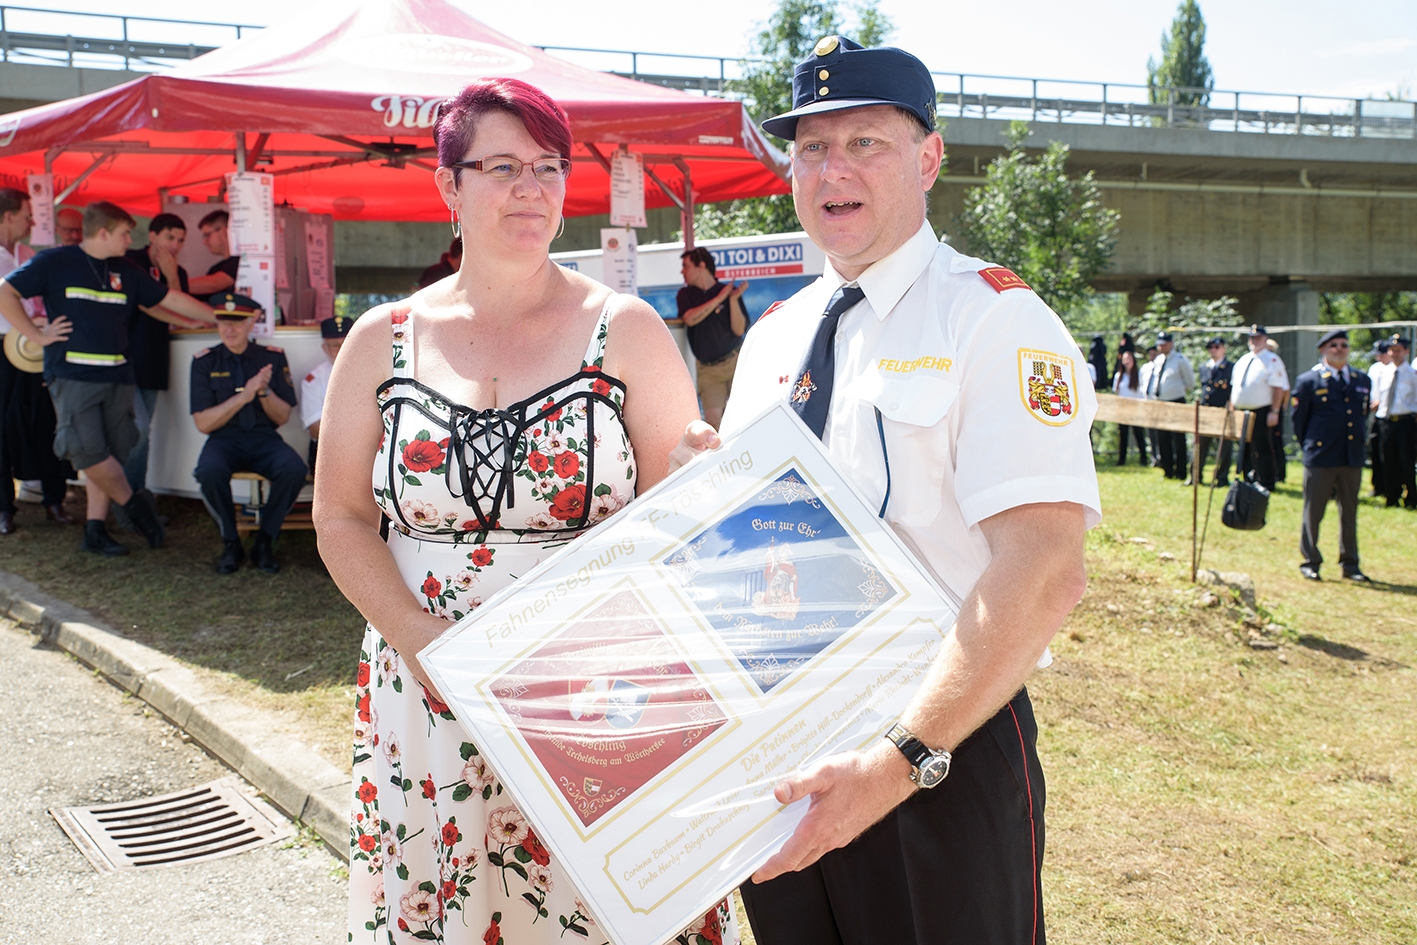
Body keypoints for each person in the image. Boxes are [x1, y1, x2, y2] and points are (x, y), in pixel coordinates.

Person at [669, 36, 1098, 945]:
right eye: (811, 147)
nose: (834, 169)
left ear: (928, 158)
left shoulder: (994, 319)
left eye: (865, 142)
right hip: (782, 751)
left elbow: (1044, 565)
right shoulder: (775, 336)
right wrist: (704, 492)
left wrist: (900, 758)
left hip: (939, 746)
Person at [311, 77, 738, 944]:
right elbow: (341, 517)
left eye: (548, 166)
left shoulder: (625, 329)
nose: (531, 188)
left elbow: (678, 516)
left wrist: (701, 481)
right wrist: (420, 641)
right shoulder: (381, 339)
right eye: (502, 167)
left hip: (597, 692)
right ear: (448, 184)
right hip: (427, 689)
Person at [0, 200, 217, 556]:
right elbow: (5, 291)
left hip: (119, 376)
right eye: (124, 233)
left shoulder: (126, 269)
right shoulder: (55, 261)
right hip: (73, 376)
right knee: (86, 450)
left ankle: (95, 530)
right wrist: (35, 335)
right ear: (103, 233)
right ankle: (135, 507)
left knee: (111, 452)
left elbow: (168, 299)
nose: (130, 240)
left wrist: (218, 317)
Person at [190, 294, 306, 574]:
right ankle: (231, 542)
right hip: (224, 439)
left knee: (294, 470)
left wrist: (263, 391)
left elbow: (282, 417)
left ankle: (265, 541)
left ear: (251, 323)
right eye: (223, 322)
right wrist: (244, 396)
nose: (229, 329)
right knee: (208, 471)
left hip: (263, 439)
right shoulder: (205, 361)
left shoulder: (272, 358)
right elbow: (203, 423)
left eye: (237, 322)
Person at [0, 187, 73, 532]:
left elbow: (43, 301)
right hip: (3, 348)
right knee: (2, 426)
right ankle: (4, 506)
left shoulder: (28, 254)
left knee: (47, 420)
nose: (31, 222)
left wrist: (43, 324)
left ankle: (54, 498)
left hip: (35, 346)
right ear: (8, 216)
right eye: (27, 216)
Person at [122, 213, 206, 498]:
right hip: (125, 359)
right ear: (153, 236)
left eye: (180, 240)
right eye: (170, 237)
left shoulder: (178, 272)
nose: (175, 245)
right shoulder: (131, 262)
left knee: (143, 430)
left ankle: (136, 496)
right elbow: (145, 305)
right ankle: (129, 498)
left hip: (154, 359)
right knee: (138, 429)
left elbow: (179, 314)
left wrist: (171, 276)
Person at [1292, 329, 1371, 582]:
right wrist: (1310, 447)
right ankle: (1310, 561)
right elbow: (1299, 422)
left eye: (1344, 345)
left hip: (1350, 456)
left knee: (1349, 512)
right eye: (1333, 345)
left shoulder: (1361, 379)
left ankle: (1350, 563)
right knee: (1314, 511)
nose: (1339, 349)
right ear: (1323, 350)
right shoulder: (1309, 381)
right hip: (1321, 457)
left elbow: (1362, 415)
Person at [677, 246, 750, 428]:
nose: (682, 271)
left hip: (735, 361)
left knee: (744, 415)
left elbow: (739, 330)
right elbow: (690, 319)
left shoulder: (729, 292)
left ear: (701, 265)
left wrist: (732, 300)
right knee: (712, 421)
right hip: (708, 369)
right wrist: (718, 299)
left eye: (686, 266)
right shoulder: (685, 294)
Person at [1229, 325, 1290, 490]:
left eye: (1258, 338)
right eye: (1252, 338)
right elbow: (1235, 387)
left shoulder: (1272, 360)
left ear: (1265, 340)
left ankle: (1267, 481)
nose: (1254, 341)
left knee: (1262, 446)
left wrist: (1275, 410)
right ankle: (1248, 479)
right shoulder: (1243, 360)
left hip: (1262, 410)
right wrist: (1232, 408)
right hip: (1242, 410)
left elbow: (1278, 387)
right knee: (1245, 447)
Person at [299, 312, 353, 474]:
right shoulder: (313, 380)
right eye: (335, 345)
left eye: (347, 343)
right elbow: (315, 428)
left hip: (368, 448)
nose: (342, 349)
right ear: (325, 348)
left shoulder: (373, 373)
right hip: (328, 450)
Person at [1371, 336, 1417, 508]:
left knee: (1407, 460)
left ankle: (1411, 497)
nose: (1394, 354)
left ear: (1406, 352)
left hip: (1405, 421)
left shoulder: (1412, 374)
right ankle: (1391, 497)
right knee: (1388, 460)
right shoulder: (1382, 373)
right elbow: (1377, 397)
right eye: (1391, 350)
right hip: (1386, 421)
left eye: (1398, 351)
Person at [1143, 330, 1194, 480]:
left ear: (1171, 344)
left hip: (1176, 401)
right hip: (1161, 403)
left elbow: (1190, 382)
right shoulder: (1158, 360)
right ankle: (1167, 470)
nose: (1161, 347)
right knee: (1162, 438)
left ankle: (1181, 471)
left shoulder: (1180, 360)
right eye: (1159, 344)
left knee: (1178, 438)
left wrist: (1176, 391)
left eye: (1164, 344)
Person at [1195, 336, 1234, 485]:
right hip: (1206, 411)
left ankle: (1222, 478)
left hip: (1223, 411)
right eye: (1210, 347)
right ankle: (1195, 476)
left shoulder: (1231, 367)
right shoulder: (1204, 367)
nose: (1213, 350)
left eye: (1217, 347)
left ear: (1223, 348)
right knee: (1200, 445)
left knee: (1224, 447)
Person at [187, 209, 239, 296]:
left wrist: (173, 284)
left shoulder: (240, 261)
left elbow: (214, 284)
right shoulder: (215, 269)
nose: (204, 242)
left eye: (207, 235)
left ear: (223, 231)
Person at [1366, 340, 1393, 496]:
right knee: (1375, 451)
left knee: (1389, 454)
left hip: (1388, 415)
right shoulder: (1374, 368)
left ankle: (1391, 487)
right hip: (1375, 415)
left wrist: (1381, 402)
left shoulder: (1395, 369)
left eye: (1381, 354)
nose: (1379, 358)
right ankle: (1377, 486)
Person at [1113, 348, 1149, 465]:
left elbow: (1142, 393)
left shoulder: (1139, 375)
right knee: (1123, 435)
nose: (1127, 361)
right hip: (1122, 409)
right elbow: (1116, 393)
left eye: (1129, 358)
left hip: (1136, 408)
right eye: (1125, 359)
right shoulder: (1119, 376)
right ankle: (1121, 459)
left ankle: (1143, 458)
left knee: (1139, 434)